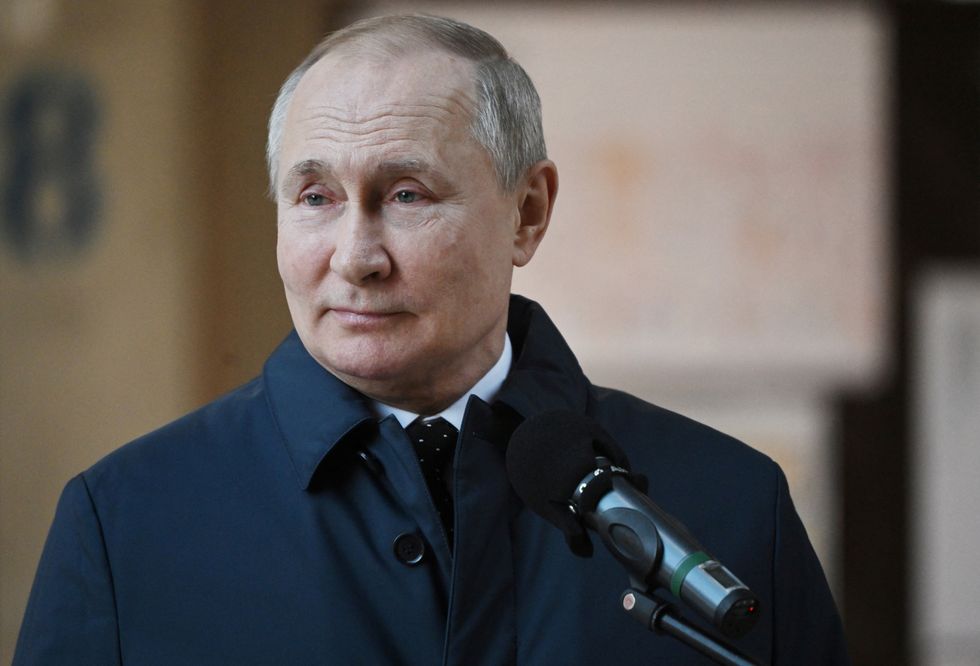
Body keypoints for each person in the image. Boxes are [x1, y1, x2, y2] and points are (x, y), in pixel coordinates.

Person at [13, 14, 848, 665]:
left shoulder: (730, 507)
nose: (355, 256)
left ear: (527, 212)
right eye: (314, 198)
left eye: (406, 194)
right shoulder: (127, 525)